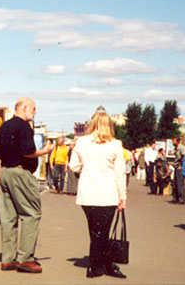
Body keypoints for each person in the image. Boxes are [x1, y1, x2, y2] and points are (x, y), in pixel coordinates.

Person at [0, 97, 53, 273]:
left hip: (4, 172)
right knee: (31, 213)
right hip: (20, 173)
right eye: (33, 109)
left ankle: (8, 258)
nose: (35, 112)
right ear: (24, 108)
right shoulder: (24, 127)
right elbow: (28, 152)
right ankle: (25, 258)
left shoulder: (4, 126)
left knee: (8, 217)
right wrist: (45, 151)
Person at [68, 106, 127, 279]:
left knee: (94, 229)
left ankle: (100, 263)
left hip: (87, 193)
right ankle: (98, 265)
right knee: (103, 231)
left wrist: (86, 170)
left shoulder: (82, 142)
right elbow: (119, 174)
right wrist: (122, 196)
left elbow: (73, 166)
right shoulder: (116, 145)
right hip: (108, 193)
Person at [171, 137, 185, 204]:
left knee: (180, 183)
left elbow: (184, 157)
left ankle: (181, 198)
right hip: (176, 167)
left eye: (173, 141)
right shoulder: (176, 148)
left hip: (180, 167)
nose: (172, 142)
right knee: (175, 182)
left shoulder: (181, 148)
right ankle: (175, 197)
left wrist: (181, 165)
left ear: (177, 141)